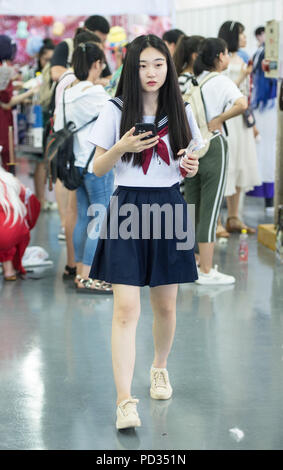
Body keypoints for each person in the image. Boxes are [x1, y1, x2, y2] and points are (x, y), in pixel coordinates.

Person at [88, 34, 201, 429]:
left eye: (158, 64)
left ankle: (159, 367)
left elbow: (191, 159)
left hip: (169, 206)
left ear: (168, 68)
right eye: (142, 65)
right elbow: (98, 169)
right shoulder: (115, 109)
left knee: (166, 306)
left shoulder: (181, 110)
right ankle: (124, 400)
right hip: (127, 209)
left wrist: (190, 167)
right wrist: (120, 146)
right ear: (130, 69)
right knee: (125, 310)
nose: (151, 73)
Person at [184, 37, 247, 285]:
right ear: (220, 56)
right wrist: (220, 118)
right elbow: (242, 104)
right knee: (210, 211)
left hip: (192, 148)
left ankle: (193, 263)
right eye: (226, 53)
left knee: (192, 206)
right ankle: (208, 270)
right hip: (213, 147)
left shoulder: (195, 81)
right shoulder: (221, 81)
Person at [54, 42, 114, 293]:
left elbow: (58, 126)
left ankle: (79, 268)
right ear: (96, 64)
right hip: (96, 164)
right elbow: (116, 121)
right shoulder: (98, 95)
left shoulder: (67, 92)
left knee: (83, 217)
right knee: (101, 218)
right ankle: (88, 277)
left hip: (74, 165)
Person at [218, 21, 261, 234]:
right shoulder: (221, 59)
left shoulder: (242, 58)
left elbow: (246, 93)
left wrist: (252, 122)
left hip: (242, 119)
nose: (244, 38)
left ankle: (234, 216)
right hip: (228, 118)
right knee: (228, 166)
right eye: (242, 34)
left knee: (242, 165)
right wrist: (243, 75)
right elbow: (224, 92)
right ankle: (217, 220)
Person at [247, 26, 277, 213]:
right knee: (267, 153)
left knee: (267, 153)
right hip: (267, 108)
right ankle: (269, 201)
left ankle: (270, 200)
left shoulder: (259, 53)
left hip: (265, 107)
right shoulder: (262, 54)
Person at [0, 35, 39, 172]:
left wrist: (16, 86)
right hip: (3, 122)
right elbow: (7, 101)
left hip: (4, 119)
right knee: (6, 158)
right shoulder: (3, 70)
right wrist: (31, 91)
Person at [0, 165, 40, 280]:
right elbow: (33, 203)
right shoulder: (10, 179)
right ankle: (9, 270)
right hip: (14, 230)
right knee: (8, 226)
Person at [50, 15, 111, 84]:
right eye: (97, 39)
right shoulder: (66, 46)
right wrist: (91, 80)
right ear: (85, 30)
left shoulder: (98, 50)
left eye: (103, 41)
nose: (100, 44)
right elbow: (56, 73)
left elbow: (108, 77)